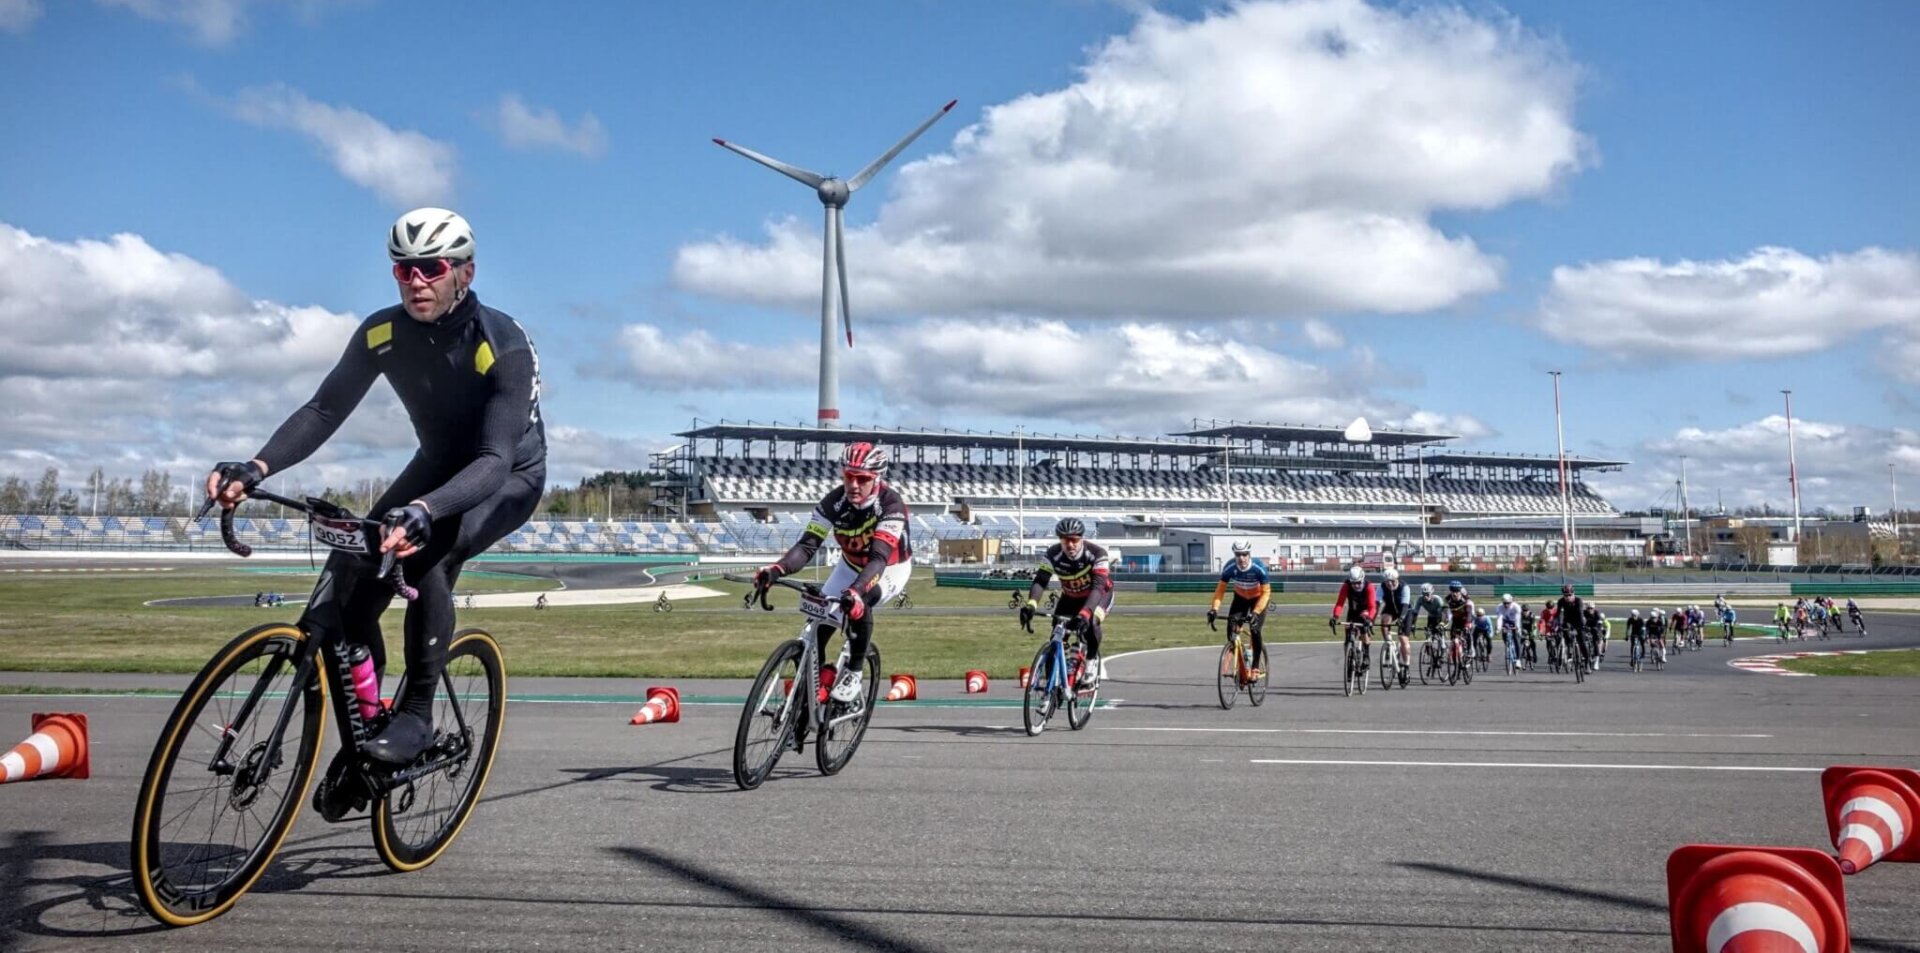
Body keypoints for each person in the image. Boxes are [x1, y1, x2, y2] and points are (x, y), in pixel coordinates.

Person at [205, 207, 545, 821]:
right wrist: (256, 468)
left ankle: (416, 712)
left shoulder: (502, 344)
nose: (416, 281)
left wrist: (426, 508)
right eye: (403, 269)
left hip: (505, 476)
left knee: (427, 558)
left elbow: (494, 458)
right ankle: (369, 740)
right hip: (436, 463)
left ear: (464, 271)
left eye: (432, 268)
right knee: (352, 574)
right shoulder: (381, 333)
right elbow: (324, 410)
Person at [755, 442, 913, 706]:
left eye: (862, 479)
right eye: (848, 476)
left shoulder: (891, 506)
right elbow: (807, 546)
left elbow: (878, 559)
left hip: (889, 569)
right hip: (849, 566)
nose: (853, 485)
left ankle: (854, 670)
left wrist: (857, 591)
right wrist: (776, 569)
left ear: (876, 479)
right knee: (818, 626)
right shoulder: (833, 502)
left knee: (860, 602)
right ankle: (811, 695)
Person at [1023, 518, 1114, 688]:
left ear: (1081, 539)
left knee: (1092, 622)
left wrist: (1085, 613)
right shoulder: (1052, 554)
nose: (1070, 545)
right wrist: (1031, 604)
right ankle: (1052, 687)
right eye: (1065, 540)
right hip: (1071, 597)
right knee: (1056, 635)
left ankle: (1091, 661)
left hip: (1099, 595)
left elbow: (1098, 587)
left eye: (1074, 540)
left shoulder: (1097, 554)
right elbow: (1041, 580)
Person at [1208, 541, 1271, 679]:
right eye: (1238, 554)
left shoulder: (1258, 568)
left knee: (1255, 629)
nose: (1241, 558)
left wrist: (1256, 612)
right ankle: (1240, 658)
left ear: (1249, 554)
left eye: (1244, 554)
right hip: (1240, 598)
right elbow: (1220, 591)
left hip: (1258, 599)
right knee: (1231, 632)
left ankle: (1254, 667)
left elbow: (1266, 593)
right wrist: (1214, 609)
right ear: (1234, 555)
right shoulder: (1230, 568)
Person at [1329, 565, 1377, 670]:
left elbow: (1373, 607)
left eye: (1359, 583)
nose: (1356, 586)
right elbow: (1340, 603)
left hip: (1366, 611)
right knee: (1348, 634)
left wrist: (1369, 619)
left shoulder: (1369, 586)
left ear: (1363, 579)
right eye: (1353, 583)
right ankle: (1349, 658)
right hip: (1353, 611)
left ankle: (1366, 656)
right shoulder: (1346, 586)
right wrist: (1335, 617)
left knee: (1363, 628)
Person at [1376, 567, 1412, 673]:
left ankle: (1406, 664)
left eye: (1392, 581)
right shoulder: (1382, 586)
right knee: (1384, 622)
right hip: (1390, 608)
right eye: (1387, 582)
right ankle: (1388, 643)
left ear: (1397, 579)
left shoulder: (1404, 587)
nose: (1390, 584)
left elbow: (1405, 605)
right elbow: (1376, 603)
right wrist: (1371, 617)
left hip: (1405, 610)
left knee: (1402, 638)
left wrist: (1401, 618)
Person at [1497, 594, 1522, 670]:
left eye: (1508, 603)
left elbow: (1518, 618)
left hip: (1514, 621)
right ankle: (1508, 645)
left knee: (1516, 639)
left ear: (1511, 602)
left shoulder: (1516, 607)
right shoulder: (1499, 607)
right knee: (1504, 636)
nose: (1506, 605)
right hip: (1506, 621)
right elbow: (1499, 618)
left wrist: (1517, 627)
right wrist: (1498, 628)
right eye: (1505, 603)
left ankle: (1518, 660)